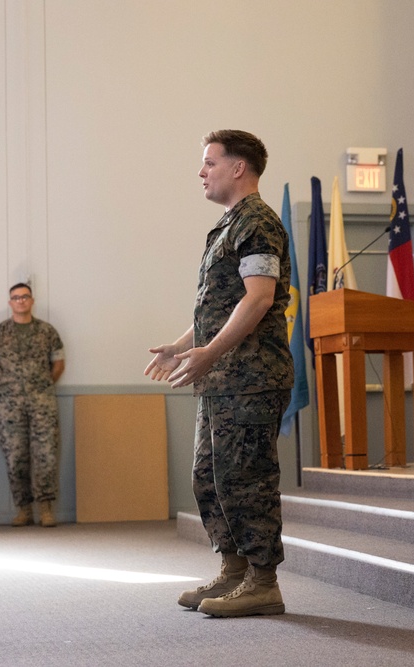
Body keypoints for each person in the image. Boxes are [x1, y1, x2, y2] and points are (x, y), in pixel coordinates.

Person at [146, 129, 293, 617]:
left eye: (210, 162)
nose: (202, 171)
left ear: (238, 168)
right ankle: (233, 573)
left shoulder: (258, 223)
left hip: (252, 377)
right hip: (222, 380)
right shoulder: (229, 226)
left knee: (246, 479)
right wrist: (184, 345)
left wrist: (208, 351)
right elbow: (219, 306)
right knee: (211, 478)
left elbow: (259, 298)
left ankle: (262, 581)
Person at [0, 283, 65, 528]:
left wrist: (42, 387)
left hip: (43, 403)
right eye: (16, 298)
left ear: (31, 300)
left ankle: (46, 508)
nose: (20, 301)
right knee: (15, 456)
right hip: (10, 406)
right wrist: (7, 389)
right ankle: (23, 509)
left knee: (46, 455)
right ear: (10, 302)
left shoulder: (47, 331)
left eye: (25, 297)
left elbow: (59, 364)